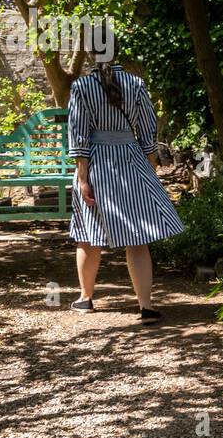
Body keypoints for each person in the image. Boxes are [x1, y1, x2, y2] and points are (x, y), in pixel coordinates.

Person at [66, 62, 184, 324]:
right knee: (137, 236)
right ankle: (146, 306)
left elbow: (78, 138)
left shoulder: (82, 86)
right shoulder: (136, 84)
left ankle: (85, 298)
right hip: (132, 161)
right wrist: (150, 167)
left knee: (89, 234)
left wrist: (83, 179)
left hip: (96, 164)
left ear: (92, 54)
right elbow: (148, 131)